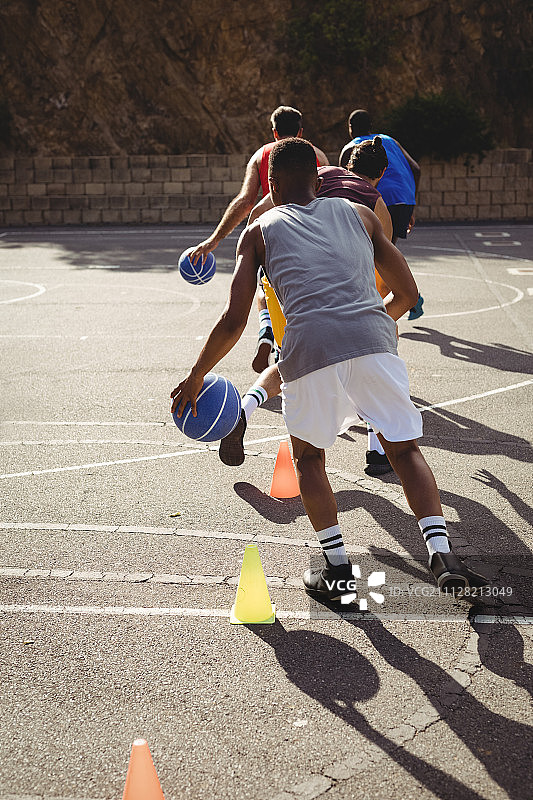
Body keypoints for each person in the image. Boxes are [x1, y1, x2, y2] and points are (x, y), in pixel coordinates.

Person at [171, 137, 488, 602]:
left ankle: (338, 568)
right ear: (317, 180)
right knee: (405, 452)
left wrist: (198, 373)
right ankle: (442, 555)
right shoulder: (358, 215)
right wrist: (370, 322)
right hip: (373, 342)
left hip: (308, 350)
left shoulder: (258, 231)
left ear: (272, 185)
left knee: (309, 459)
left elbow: (235, 318)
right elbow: (407, 294)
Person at [236, 136, 396, 476]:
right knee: (370, 374)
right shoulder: (369, 204)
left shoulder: (313, 179)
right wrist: (377, 316)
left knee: (289, 364)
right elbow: (390, 280)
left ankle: (246, 407)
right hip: (355, 313)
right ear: (381, 173)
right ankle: (377, 452)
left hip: (291, 296)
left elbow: (257, 214)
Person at [187, 105, 329, 374]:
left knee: (268, 290)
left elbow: (244, 201)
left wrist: (215, 239)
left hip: (272, 232)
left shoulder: (262, 155)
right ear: (301, 131)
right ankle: (296, 349)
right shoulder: (316, 155)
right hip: (314, 233)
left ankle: (267, 329)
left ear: (274, 132)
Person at [340, 108, 424, 320]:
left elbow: (346, 183)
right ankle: (404, 296)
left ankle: (395, 302)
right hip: (403, 198)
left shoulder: (352, 148)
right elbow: (416, 168)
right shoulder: (388, 140)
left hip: (376, 201)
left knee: (376, 256)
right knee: (384, 252)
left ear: (350, 129)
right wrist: (409, 203)